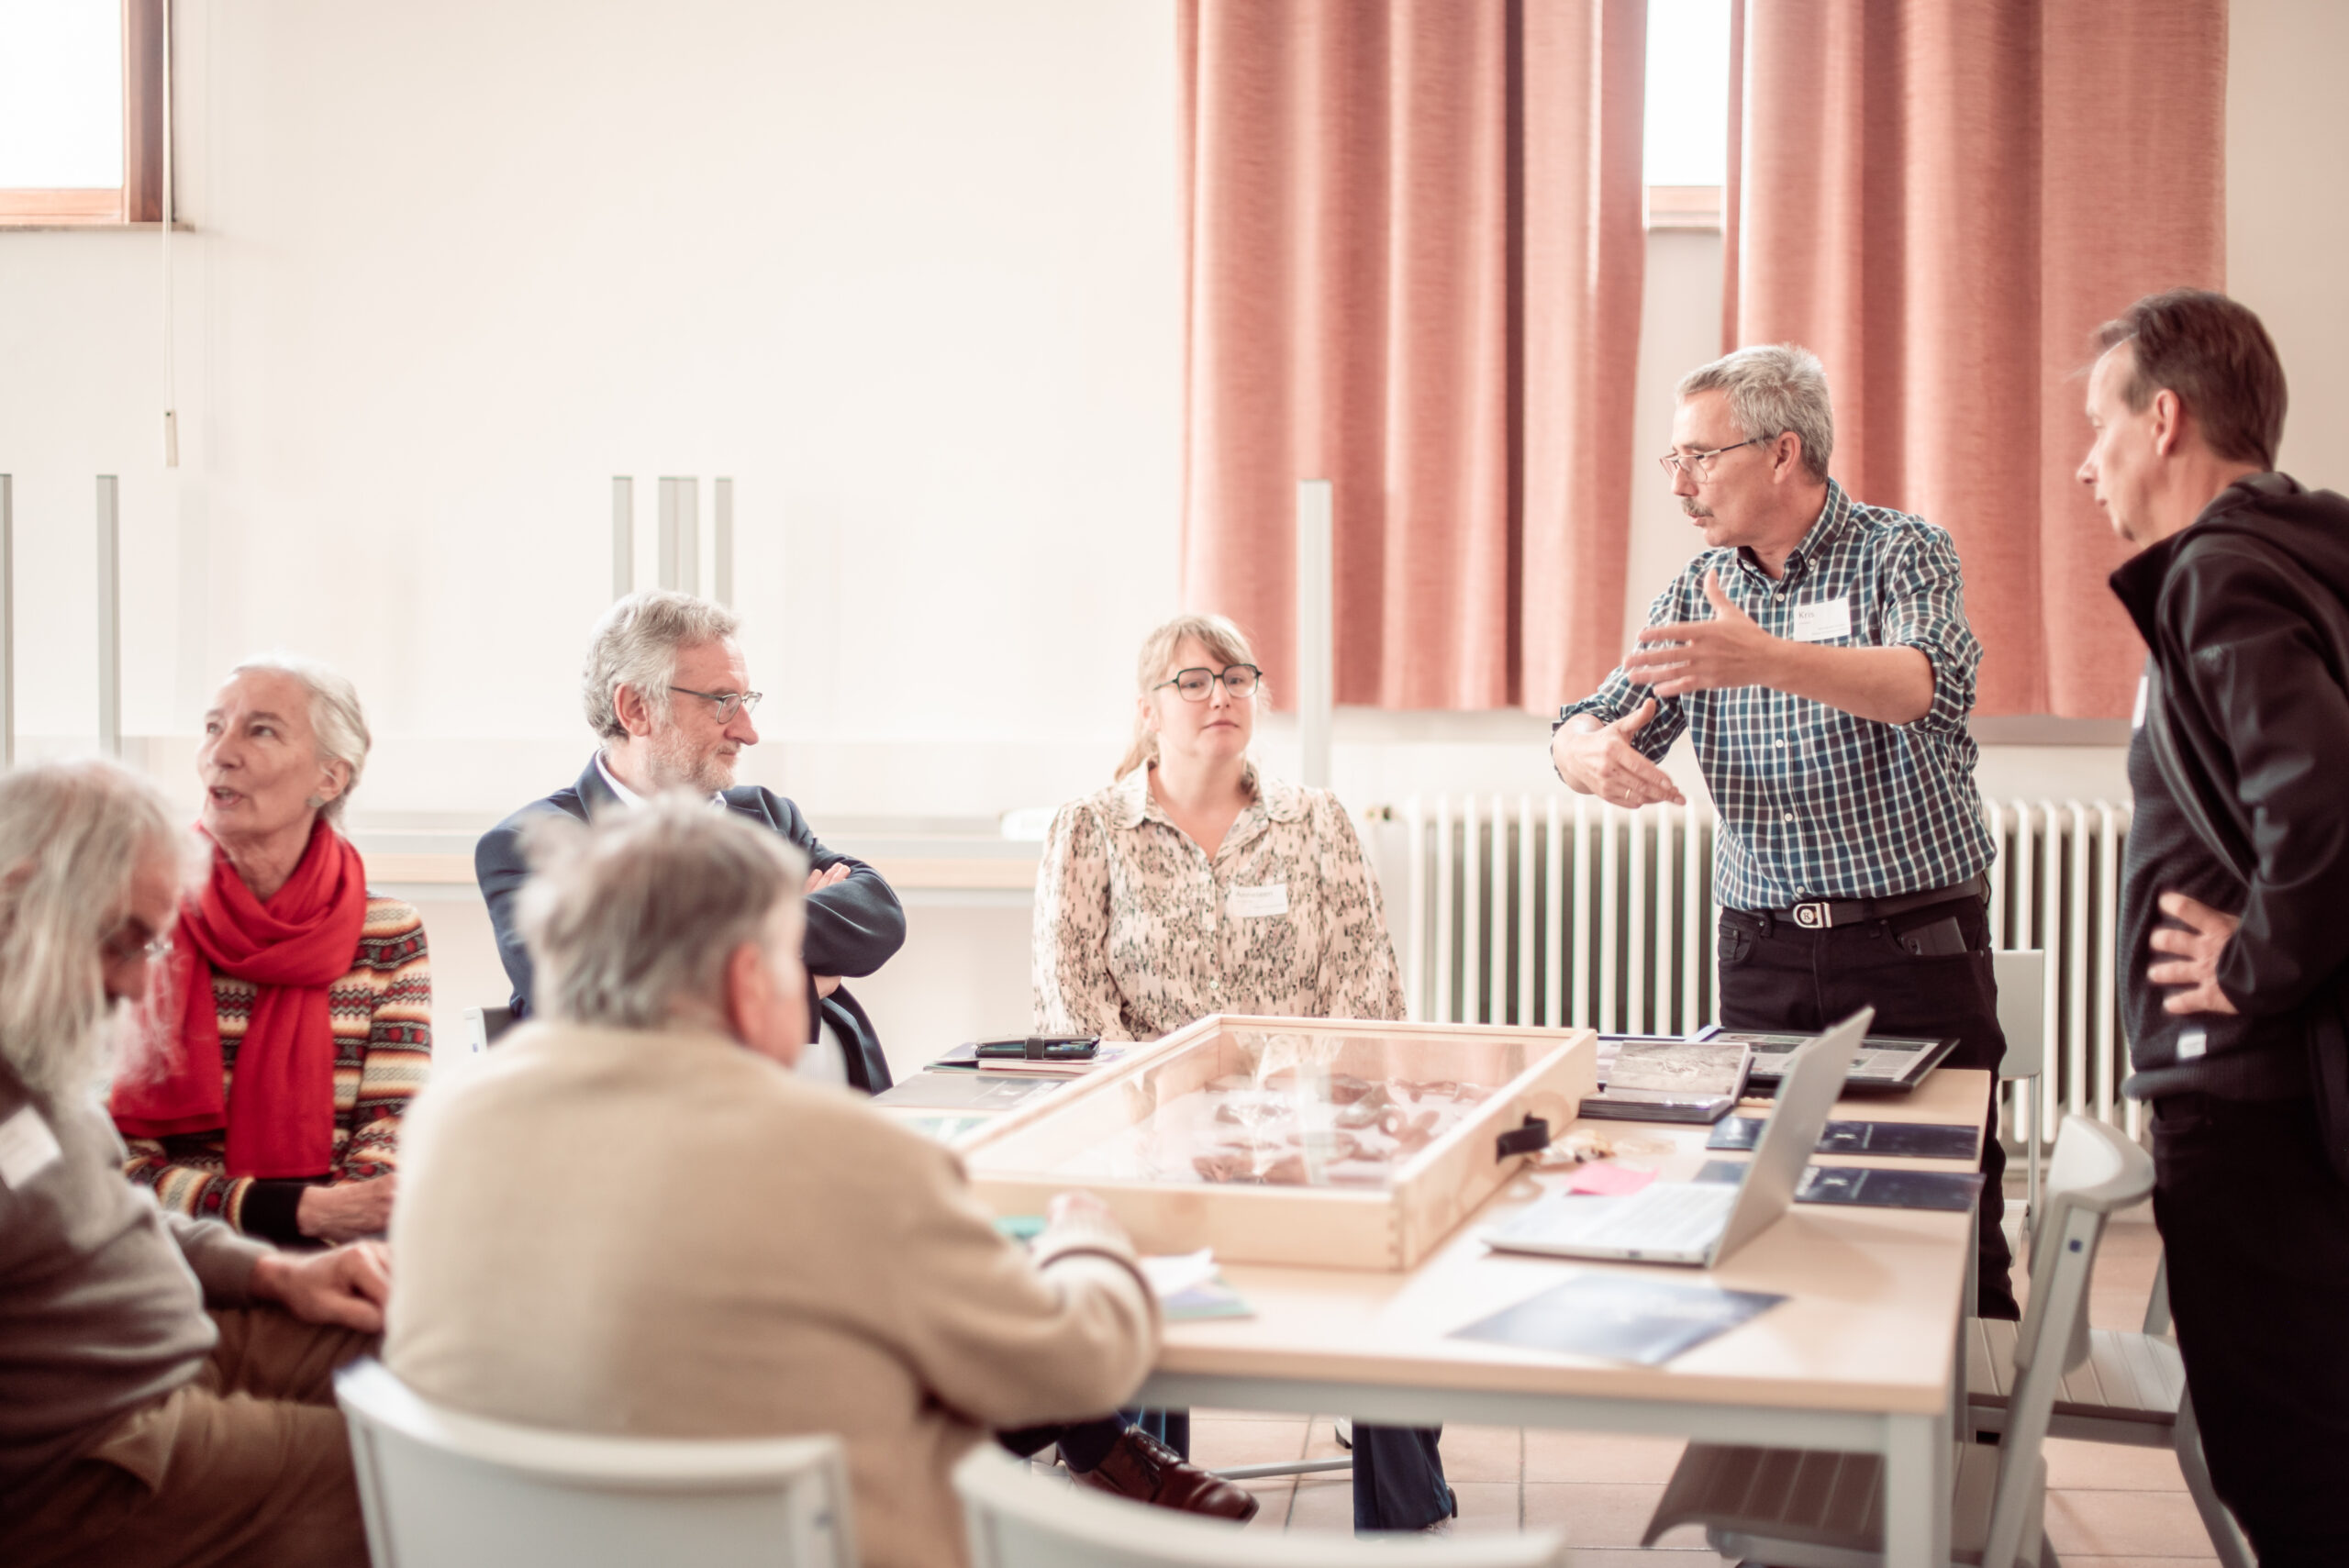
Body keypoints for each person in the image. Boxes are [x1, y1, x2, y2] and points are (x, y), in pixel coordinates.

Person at [391, 795, 1248, 1568]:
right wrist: (1088, 1235)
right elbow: (1076, 1364)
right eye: (785, 948)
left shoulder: (448, 1124)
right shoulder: (849, 1155)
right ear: (744, 978)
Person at [1549, 343, 2017, 1318]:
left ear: (1780, 451)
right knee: (1767, 1212)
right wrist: (1583, 751)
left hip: (1911, 942)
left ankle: (1967, 1461)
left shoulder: (1901, 550)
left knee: (1944, 1220)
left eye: (1698, 456)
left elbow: (1927, 682)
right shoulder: (1695, 588)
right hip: (1760, 950)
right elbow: (1589, 712)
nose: (1678, 483)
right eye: (1670, 460)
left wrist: (1767, 657)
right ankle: (1802, 1445)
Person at [1034, 612, 1454, 1534]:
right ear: (1148, 707)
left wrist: (1294, 1098)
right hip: (1151, 1128)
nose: (1220, 693)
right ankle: (1146, 1493)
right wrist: (1167, 1107)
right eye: (1193, 680)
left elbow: (1368, 987)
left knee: (1384, 1241)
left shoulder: (1316, 819)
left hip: (1306, 1120)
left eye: (1237, 676)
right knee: (1129, 1250)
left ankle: (1405, 1513)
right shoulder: (1089, 829)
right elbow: (1068, 1005)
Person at [2079, 287, 2349, 1567]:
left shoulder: (2223, 571)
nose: (2091, 464)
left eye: (2102, 426)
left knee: (2283, 1454)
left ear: (2166, 417)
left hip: (2242, 1095)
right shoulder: (2295, 554)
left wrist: (2252, 962)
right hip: (2276, 1087)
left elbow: (2323, 804)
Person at [0, 760, 392, 1568]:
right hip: (96, 1444)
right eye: (121, 942)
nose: (139, 981)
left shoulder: (29, 1040)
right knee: (416, 1474)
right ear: (17, 896)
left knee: (429, 1340)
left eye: (153, 944)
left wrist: (276, 1274)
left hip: (184, 1341)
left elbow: (114, 1209)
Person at [477, 590, 903, 1091]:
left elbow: (879, 918)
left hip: (839, 1110)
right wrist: (795, 987)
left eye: (745, 701)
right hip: (657, 1138)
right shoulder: (535, 846)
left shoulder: (764, 814)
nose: (748, 731)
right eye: (723, 702)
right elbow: (606, 1016)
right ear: (636, 708)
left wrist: (685, 949)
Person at [110, 655, 430, 1246]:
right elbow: (110, 1162)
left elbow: (393, 1127)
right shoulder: (141, 915)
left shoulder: (387, 931)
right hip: (168, 1251)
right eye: (212, 727)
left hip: (335, 1248)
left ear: (329, 778)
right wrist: (291, 1212)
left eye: (260, 730)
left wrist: (331, 1227)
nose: (220, 753)